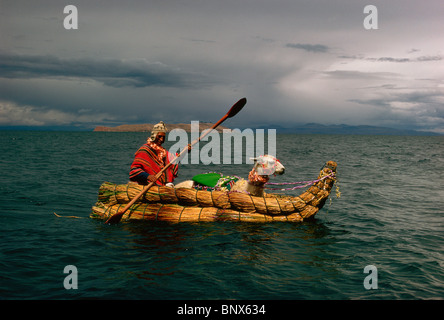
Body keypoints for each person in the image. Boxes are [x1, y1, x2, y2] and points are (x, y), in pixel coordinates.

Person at [129, 121, 179, 187]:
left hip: (160, 186)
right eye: (159, 136)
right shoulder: (145, 150)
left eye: (163, 137)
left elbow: (173, 159)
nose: (161, 139)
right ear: (154, 135)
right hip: (146, 185)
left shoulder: (162, 151)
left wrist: (186, 150)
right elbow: (134, 170)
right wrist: (148, 176)